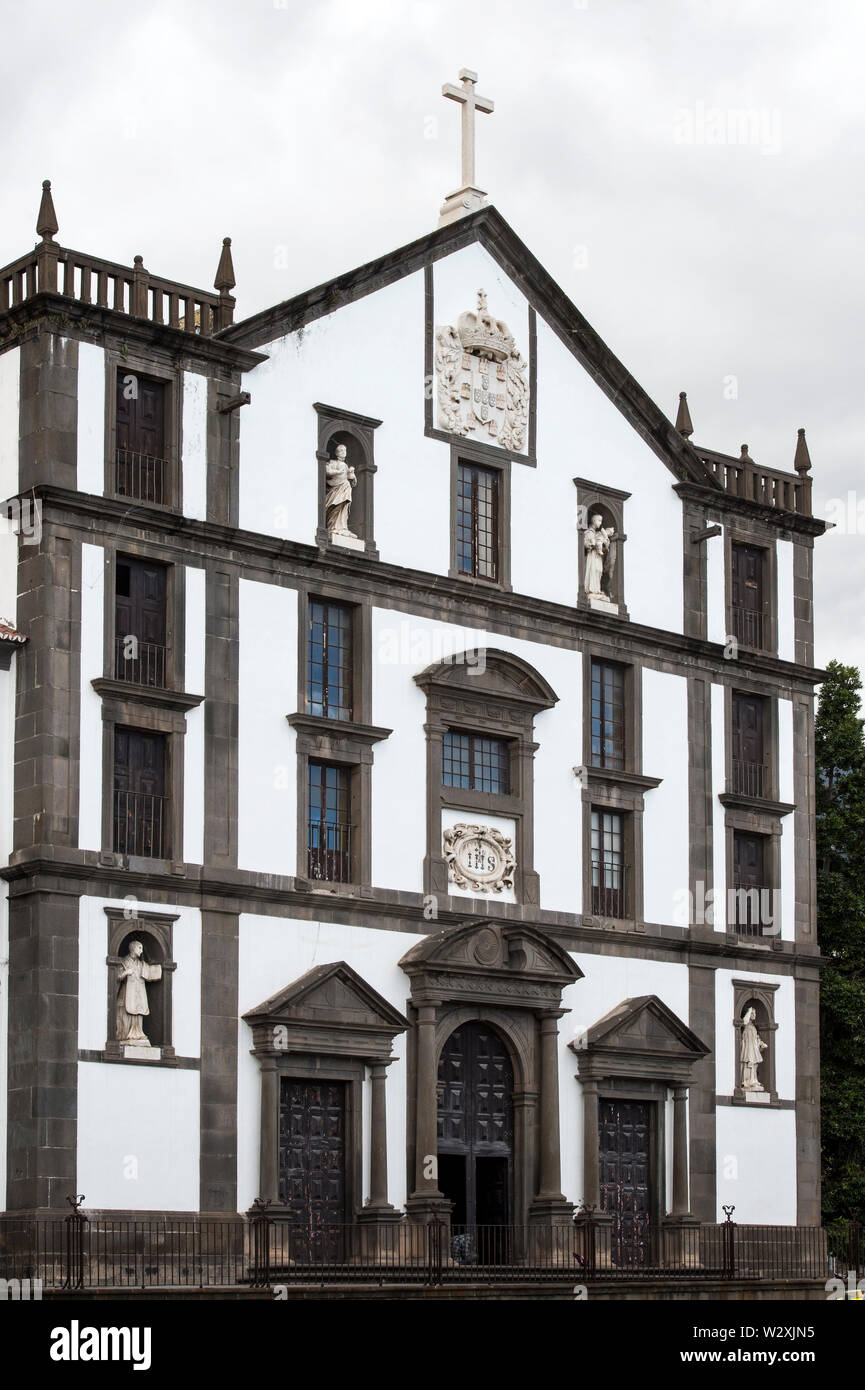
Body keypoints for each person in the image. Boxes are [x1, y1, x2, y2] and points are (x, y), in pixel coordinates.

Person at [116, 939, 162, 1045]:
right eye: (139, 948)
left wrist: (160, 968)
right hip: (126, 993)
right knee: (126, 1012)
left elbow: (150, 973)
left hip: (139, 994)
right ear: (133, 948)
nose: (142, 950)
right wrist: (125, 973)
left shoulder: (141, 964)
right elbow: (117, 976)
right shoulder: (123, 961)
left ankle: (137, 1034)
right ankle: (125, 1035)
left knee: (138, 1012)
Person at [325, 443, 357, 538]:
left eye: (345, 450)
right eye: (341, 450)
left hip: (345, 489)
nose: (343, 452)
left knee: (344, 508)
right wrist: (338, 472)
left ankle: (343, 528)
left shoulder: (346, 466)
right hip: (335, 490)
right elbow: (327, 472)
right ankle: (333, 528)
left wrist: (352, 474)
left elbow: (353, 482)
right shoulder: (332, 462)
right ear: (336, 453)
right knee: (336, 507)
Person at [740, 1006, 767, 1090]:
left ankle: (754, 1080)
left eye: (754, 1013)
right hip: (748, 1048)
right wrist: (749, 1011)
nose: (754, 1015)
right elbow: (744, 1022)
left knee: (755, 1065)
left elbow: (757, 1038)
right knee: (749, 1063)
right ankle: (747, 1081)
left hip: (754, 1048)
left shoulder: (753, 1026)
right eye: (752, 1013)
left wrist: (761, 1044)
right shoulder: (746, 1025)